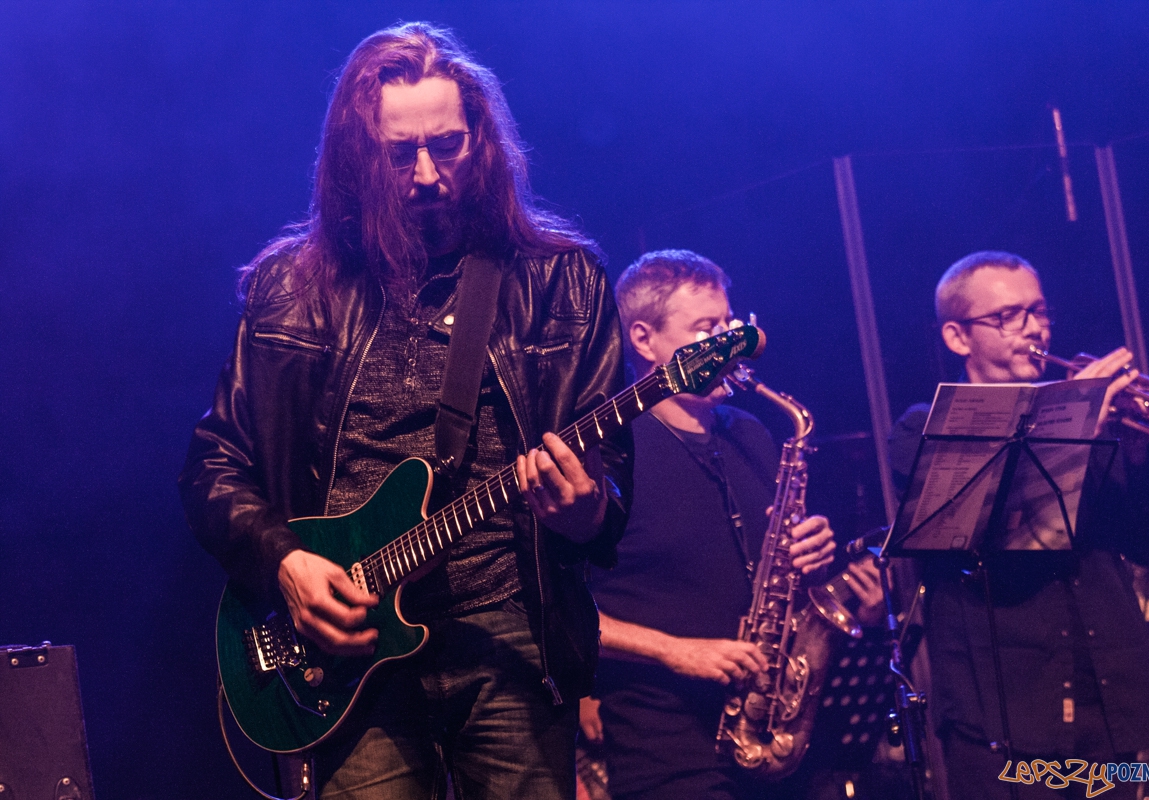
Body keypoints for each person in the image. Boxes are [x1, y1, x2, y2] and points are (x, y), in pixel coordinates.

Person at [179, 23, 631, 800]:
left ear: (480, 141)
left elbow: (610, 494)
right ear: (357, 158)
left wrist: (585, 510)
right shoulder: (292, 288)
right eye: (398, 154)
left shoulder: (561, 280)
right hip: (351, 653)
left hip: (508, 635)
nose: (427, 175)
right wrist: (284, 563)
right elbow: (213, 467)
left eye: (447, 146)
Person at [580, 249, 882, 800]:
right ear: (644, 339)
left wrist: (811, 556)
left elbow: (777, 579)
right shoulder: (607, 450)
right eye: (706, 329)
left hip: (770, 733)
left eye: (729, 325)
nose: (729, 344)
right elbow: (563, 612)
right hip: (666, 747)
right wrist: (676, 651)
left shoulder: (751, 433)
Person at [889, 251, 1149, 799]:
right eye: (1008, 316)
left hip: (1109, 705)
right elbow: (989, 522)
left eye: (1039, 311)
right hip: (1004, 719)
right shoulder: (923, 429)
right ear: (957, 337)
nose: (1033, 328)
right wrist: (1077, 420)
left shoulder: (1098, 424)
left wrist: (1136, 450)